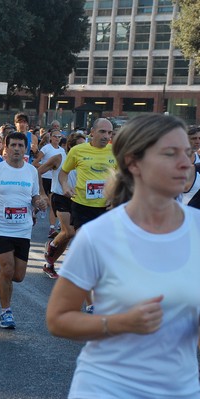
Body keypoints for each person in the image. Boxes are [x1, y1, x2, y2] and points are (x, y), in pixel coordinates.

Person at [46, 113, 200, 398]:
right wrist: (119, 323)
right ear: (133, 162)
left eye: (189, 153)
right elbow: (58, 319)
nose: (186, 163)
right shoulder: (99, 236)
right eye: (171, 153)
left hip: (180, 390)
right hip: (106, 388)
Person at [0, 132, 47, 329]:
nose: (17, 149)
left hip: (23, 229)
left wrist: (39, 202)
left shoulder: (32, 172)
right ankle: (5, 312)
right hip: (0, 227)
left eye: (20, 146)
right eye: (13, 145)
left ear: (26, 149)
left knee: (18, 276)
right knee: (9, 269)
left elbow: (35, 195)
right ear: (5, 148)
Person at [57, 118, 116, 312]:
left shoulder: (115, 152)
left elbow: (122, 177)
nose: (106, 136)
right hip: (82, 206)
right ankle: (91, 304)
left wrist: (115, 196)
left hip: (106, 209)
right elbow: (63, 174)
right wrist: (66, 186)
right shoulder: (77, 151)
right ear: (92, 132)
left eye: (109, 133)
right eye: (102, 132)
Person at [36, 132, 86, 279]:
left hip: (77, 199)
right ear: (71, 146)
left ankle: (49, 265)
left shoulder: (86, 160)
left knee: (67, 235)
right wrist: (42, 193)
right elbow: (38, 172)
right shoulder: (59, 158)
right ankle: (51, 246)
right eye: (80, 145)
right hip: (59, 197)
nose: (84, 147)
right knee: (69, 232)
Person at [33, 128, 66, 238]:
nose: (57, 138)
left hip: (54, 180)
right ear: (51, 138)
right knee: (44, 201)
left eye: (59, 137)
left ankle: (52, 228)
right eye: (55, 136)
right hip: (43, 178)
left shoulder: (62, 150)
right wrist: (48, 167)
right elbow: (35, 163)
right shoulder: (46, 148)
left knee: (52, 205)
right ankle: (33, 212)